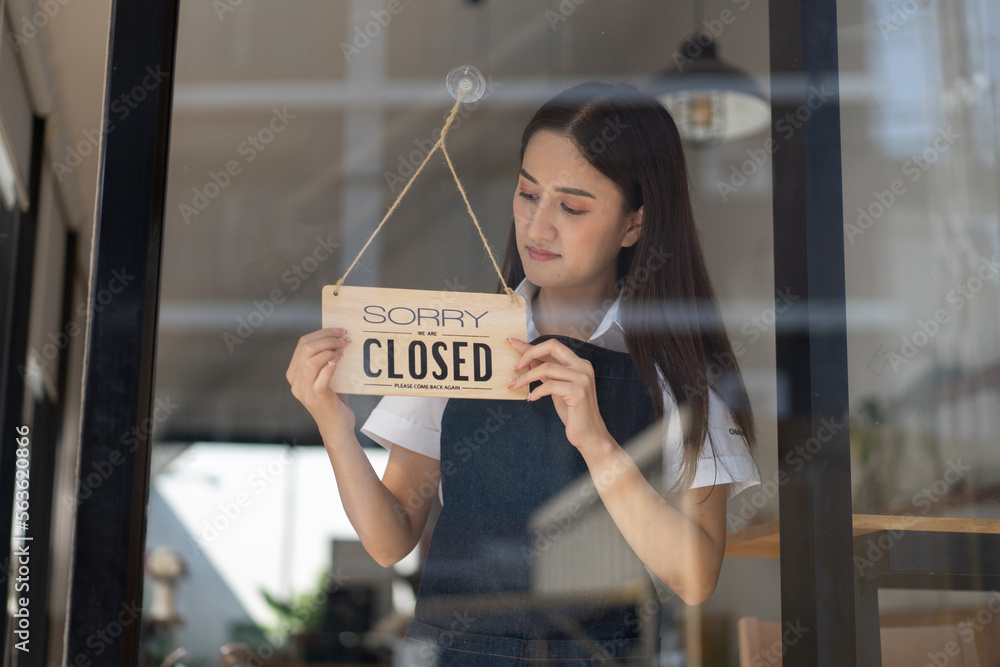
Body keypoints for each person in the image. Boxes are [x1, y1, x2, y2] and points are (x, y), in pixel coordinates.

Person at [286, 81, 760, 666]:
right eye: (528, 194)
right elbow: (391, 539)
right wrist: (333, 423)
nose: (537, 228)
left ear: (635, 224)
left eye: (572, 206)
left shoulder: (678, 373)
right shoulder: (460, 338)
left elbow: (694, 577)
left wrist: (598, 444)